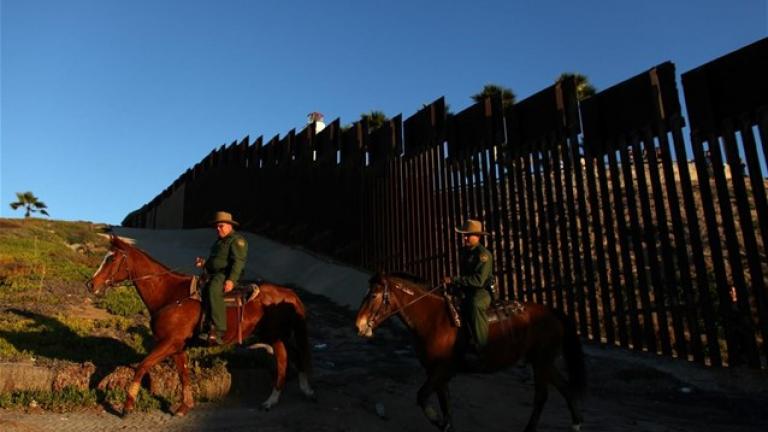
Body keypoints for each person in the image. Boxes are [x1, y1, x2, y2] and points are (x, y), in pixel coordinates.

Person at [195, 211, 248, 345]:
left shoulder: (236, 240)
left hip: (226, 273)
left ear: (230, 226)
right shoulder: (219, 242)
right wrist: (204, 264)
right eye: (217, 227)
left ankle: (218, 330)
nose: (218, 229)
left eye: (221, 226)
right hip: (215, 273)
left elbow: (239, 261)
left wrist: (231, 280)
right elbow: (215, 262)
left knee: (213, 289)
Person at [443, 219, 493, 356]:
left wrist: (455, 280)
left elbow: (479, 280)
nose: (465, 238)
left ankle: (481, 347)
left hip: (481, 291)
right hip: (466, 288)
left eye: (468, 235)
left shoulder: (483, 255)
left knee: (475, 305)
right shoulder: (465, 252)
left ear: (478, 236)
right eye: (464, 235)